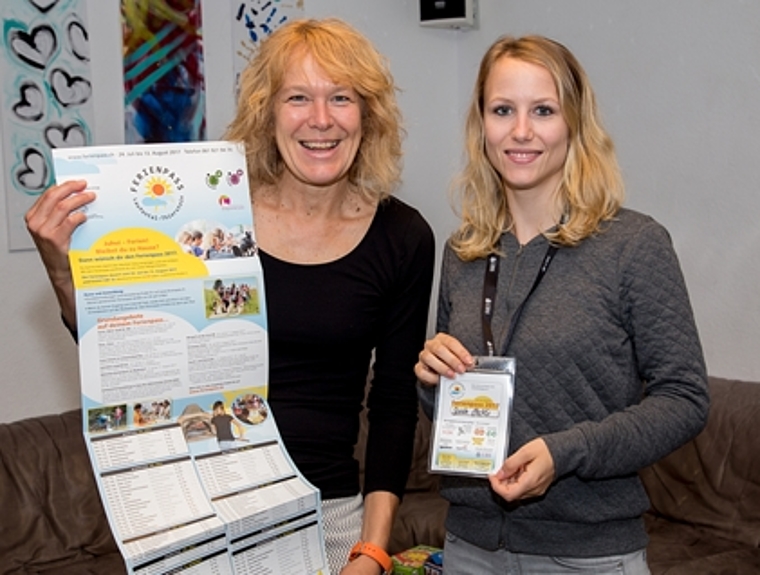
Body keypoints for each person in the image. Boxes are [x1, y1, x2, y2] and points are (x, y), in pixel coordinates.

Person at [25, 18, 435, 575]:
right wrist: (59, 266)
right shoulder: (211, 216)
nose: (321, 119)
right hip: (198, 519)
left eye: (341, 97)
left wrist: (373, 550)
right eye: (298, 97)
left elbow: (392, 406)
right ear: (268, 113)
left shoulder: (403, 237)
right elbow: (129, 359)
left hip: (329, 520)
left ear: (368, 113)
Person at [414, 35, 709, 574]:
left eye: (542, 111)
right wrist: (433, 382)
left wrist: (565, 452)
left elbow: (685, 398)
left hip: (588, 556)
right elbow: (458, 411)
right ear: (482, 125)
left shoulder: (632, 245)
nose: (521, 131)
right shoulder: (463, 251)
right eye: (503, 110)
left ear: (573, 123)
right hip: (469, 550)